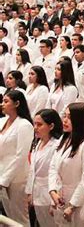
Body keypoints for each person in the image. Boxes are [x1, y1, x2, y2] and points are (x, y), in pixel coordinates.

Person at [49, 102, 84, 226]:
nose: (65, 120)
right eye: (64, 116)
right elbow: (53, 167)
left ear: (79, 120)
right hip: (59, 196)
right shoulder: (64, 138)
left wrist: (73, 205)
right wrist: (52, 191)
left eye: (70, 118)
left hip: (78, 201)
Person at [0, 90, 34, 225]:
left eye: (6, 101)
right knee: (8, 217)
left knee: (19, 218)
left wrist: (4, 180)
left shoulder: (24, 125)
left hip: (17, 178)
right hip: (2, 173)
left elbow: (20, 156)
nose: (2, 104)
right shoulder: (2, 121)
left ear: (17, 104)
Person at [26, 109, 62, 227]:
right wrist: (29, 191)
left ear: (51, 126)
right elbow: (32, 171)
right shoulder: (38, 142)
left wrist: (53, 202)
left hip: (48, 195)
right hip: (37, 194)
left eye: (39, 124)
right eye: (34, 124)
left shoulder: (56, 146)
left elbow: (56, 174)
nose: (35, 127)